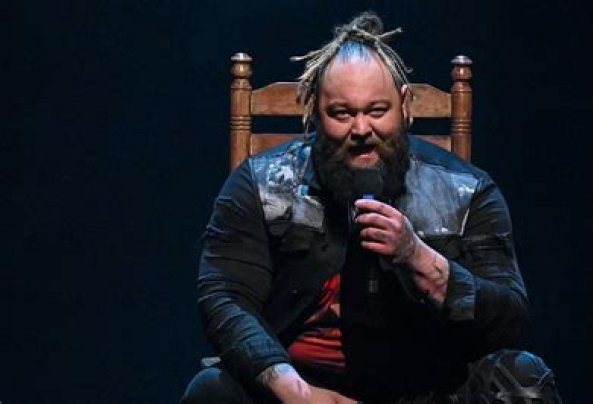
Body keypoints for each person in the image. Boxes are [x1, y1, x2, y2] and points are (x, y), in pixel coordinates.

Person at [182, 11, 561, 404]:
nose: (361, 130)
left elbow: (509, 318)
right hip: (300, 388)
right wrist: (295, 391)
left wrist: (418, 257)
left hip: (425, 389)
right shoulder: (261, 185)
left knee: (522, 380)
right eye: (342, 114)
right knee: (211, 391)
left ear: (405, 105)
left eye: (377, 111)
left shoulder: (467, 190)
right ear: (315, 110)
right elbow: (225, 298)